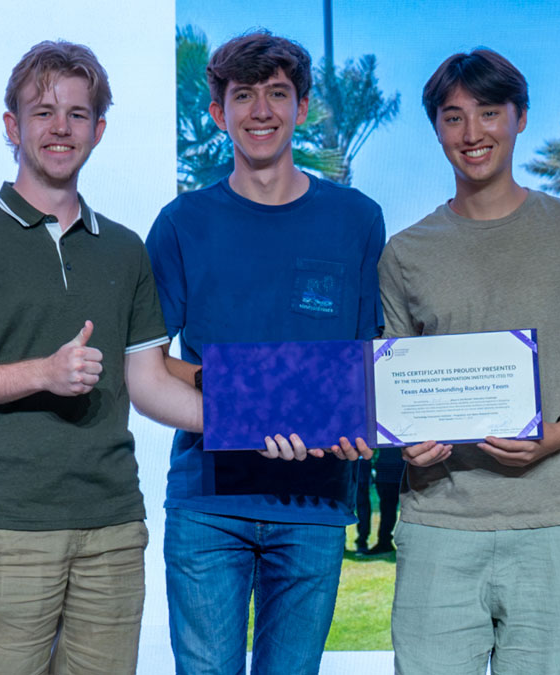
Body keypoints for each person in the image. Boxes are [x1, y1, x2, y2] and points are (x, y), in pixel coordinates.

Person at [0, 41, 203, 674]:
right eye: (43, 111)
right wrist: (44, 373)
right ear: (12, 127)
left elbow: (150, 383)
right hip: (12, 528)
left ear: (98, 131)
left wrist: (257, 422)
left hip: (114, 530)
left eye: (77, 113)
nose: (60, 127)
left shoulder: (126, 250)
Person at [378, 49, 560, 674]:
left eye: (489, 113)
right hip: (439, 518)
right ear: (436, 128)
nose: (472, 134)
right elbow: (393, 386)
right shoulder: (405, 252)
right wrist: (407, 441)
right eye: (453, 117)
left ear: (520, 118)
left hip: (554, 519)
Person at [144, 31, 385, 674]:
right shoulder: (180, 223)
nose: (261, 111)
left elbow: (364, 364)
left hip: (315, 503)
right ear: (219, 112)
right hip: (207, 505)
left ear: (302, 107)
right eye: (242, 95)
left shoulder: (356, 220)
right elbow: (141, 363)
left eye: (277, 94)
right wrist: (236, 397)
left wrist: (362, 428)